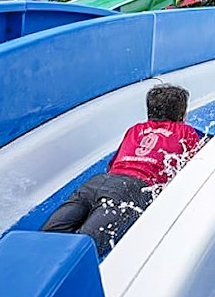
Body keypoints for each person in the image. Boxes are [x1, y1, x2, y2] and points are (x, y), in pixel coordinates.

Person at [41, 84, 202, 257]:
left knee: (47, 239)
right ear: (182, 115)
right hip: (131, 190)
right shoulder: (186, 132)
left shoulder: (135, 130)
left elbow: (112, 164)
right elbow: (198, 165)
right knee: (83, 251)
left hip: (97, 182)